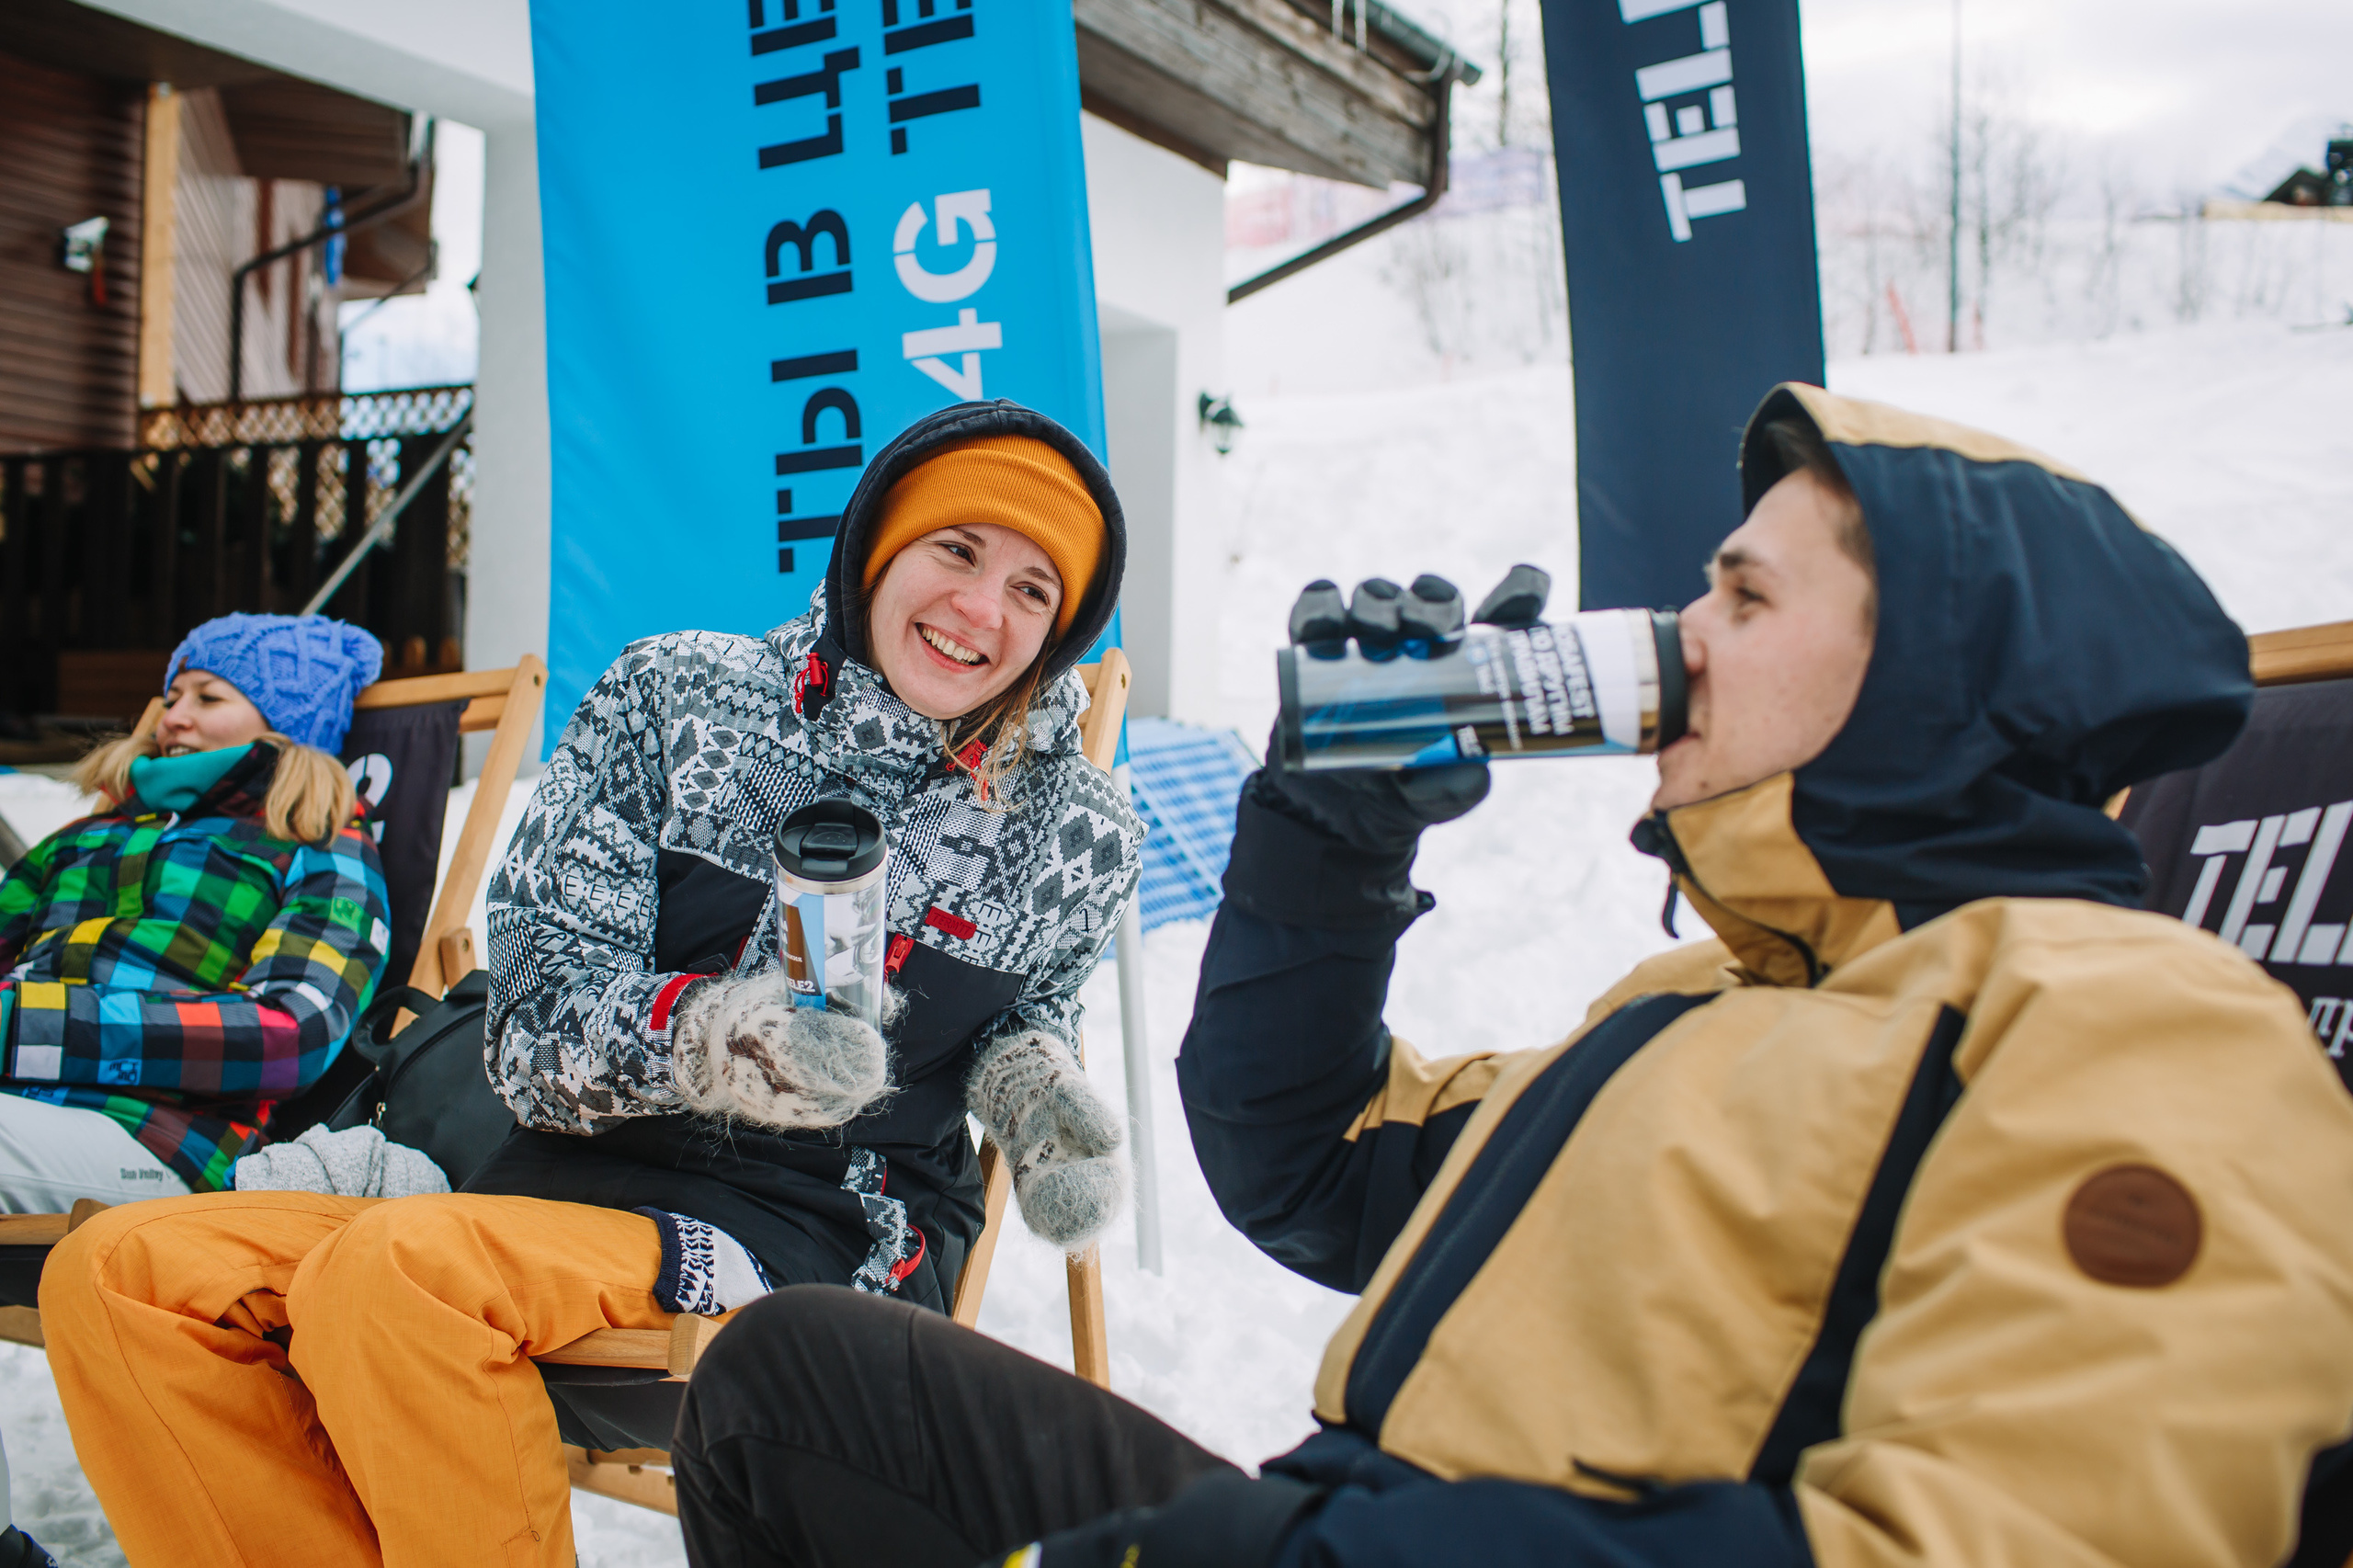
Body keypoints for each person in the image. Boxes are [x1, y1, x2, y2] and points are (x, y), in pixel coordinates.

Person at [657, 384, 2353, 1568]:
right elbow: (1308, 1164)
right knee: (796, 1384)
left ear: (1928, 672)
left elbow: (2048, 1535)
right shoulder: (1703, 1006)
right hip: (1338, 1525)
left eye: (1742, 596)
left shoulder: (2126, 1026)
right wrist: (1327, 837)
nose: (1680, 633)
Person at [40, 401, 1145, 1568]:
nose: (982, 608)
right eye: (957, 549)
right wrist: (719, 1038)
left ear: (1060, 629)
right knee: (120, 1275)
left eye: (1033, 589)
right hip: (548, 1180)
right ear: (876, 546)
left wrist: (1035, 1089)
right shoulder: (675, 696)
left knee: (400, 1274)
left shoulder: (1075, 826)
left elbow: (1025, 1013)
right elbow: (531, 1027)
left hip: (820, 1234)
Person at [0, 613, 389, 1210]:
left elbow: (291, 1036)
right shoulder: (87, 834)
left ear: (286, 726)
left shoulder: (318, 843)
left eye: (208, 698)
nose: (173, 717)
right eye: (171, 697)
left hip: (156, 1139)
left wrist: (29, 1025)